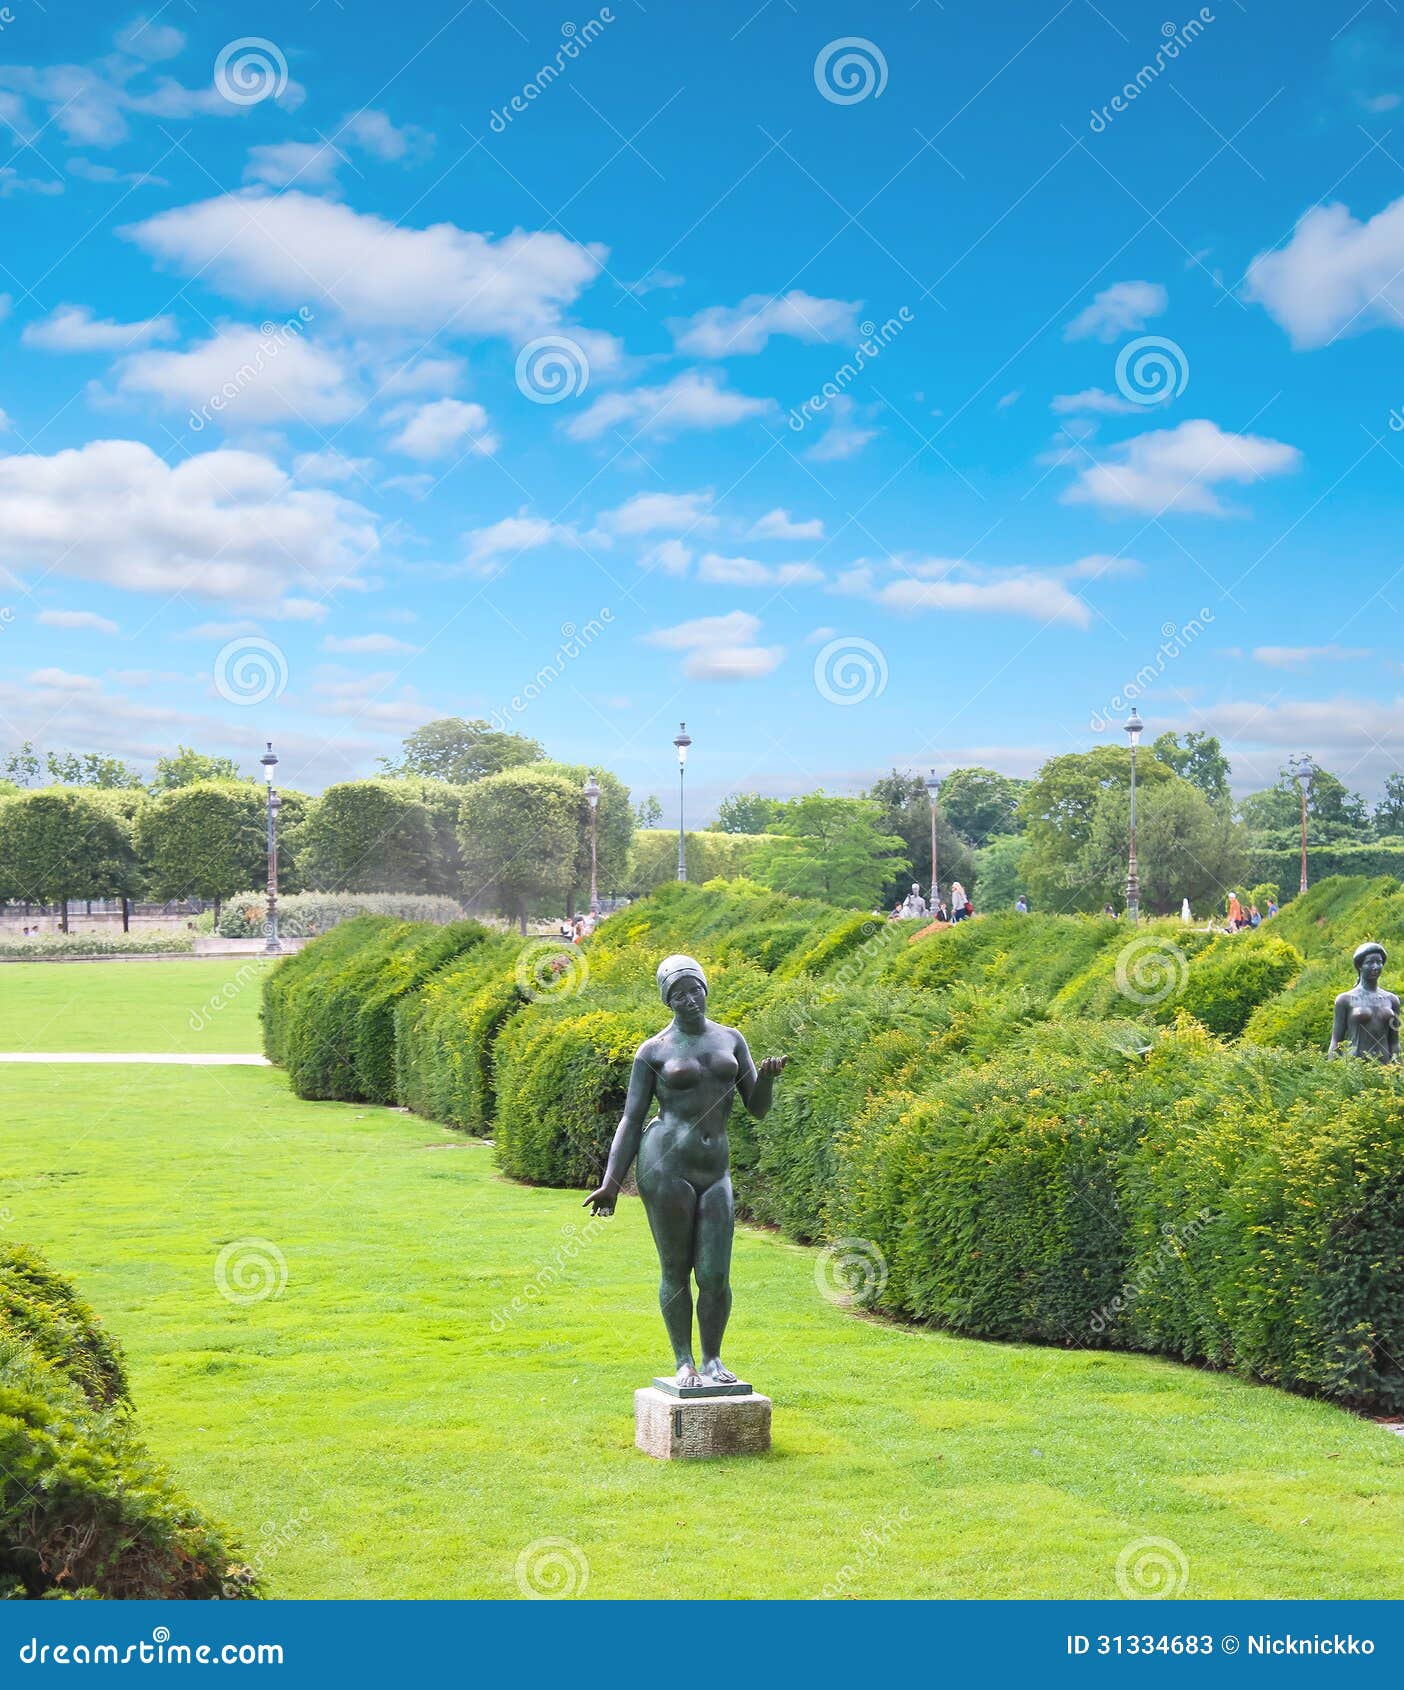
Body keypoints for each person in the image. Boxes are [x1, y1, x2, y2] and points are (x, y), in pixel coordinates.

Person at [583, 955, 787, 1387]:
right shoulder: (653, 1051)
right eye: (678, 994)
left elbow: (757, 1108)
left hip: (716, 1171)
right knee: (676, 1267)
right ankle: (684, 1360)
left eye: (694, 989)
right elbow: (631, 1119)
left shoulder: (732, 1040)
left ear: (705, 990)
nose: (690, 1000)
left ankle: (713, 1359)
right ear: (667, 1001)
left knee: (715, 1272)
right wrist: (611, 1183)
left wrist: (766, 1079)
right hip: (665, 1166)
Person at [1328, 942, 1400, 1064]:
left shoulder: (1392, 1000)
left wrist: (1399, 1070)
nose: (1376, 967)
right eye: (1370, 963)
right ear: (1360, 966)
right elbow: (1336, 1040)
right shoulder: (1344, 1000)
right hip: (1356, 1070)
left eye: (1379, 962)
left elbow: (1395, 1042)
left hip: (1385, 1070)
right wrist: (1331, 1072)